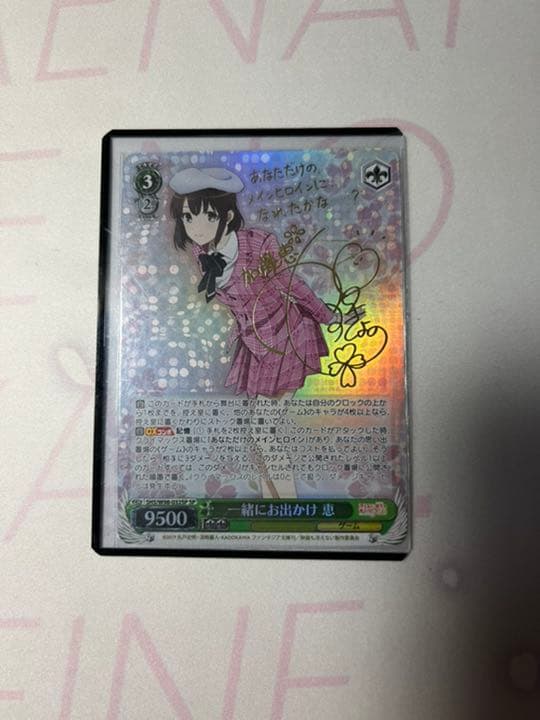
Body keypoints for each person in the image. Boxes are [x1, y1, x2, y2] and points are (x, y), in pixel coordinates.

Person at [169, 166, 338, 400]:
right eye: (188, 217)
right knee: (263, 416)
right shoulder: (201, 251)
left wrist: (328, 316)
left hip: (285, 334)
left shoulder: (258, 243)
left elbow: (289, 283)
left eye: (209, 216)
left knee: (268, 415)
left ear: (228, 216)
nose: (195, 228)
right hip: (253, 343)